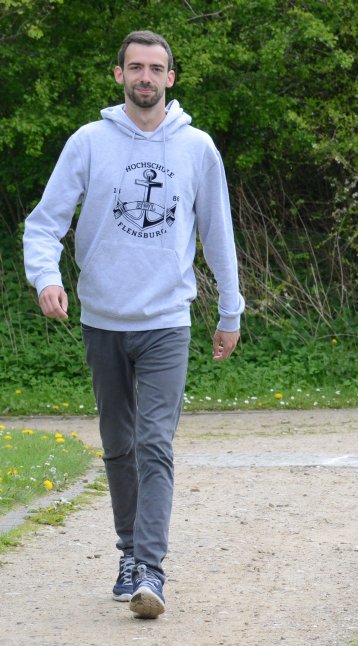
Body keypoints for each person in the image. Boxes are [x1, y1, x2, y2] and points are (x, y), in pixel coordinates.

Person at [23, 30, 244, 619]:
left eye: (157, 68)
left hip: (168, 320)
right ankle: (129, 552)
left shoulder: (197, 148)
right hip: (101, 319)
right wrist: (47, 277)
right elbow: (43, 225)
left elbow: (217, 234)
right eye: (135, 67)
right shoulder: (89, 143)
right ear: (118, 74)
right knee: (119, 445)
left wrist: (230, 310)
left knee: (153, 443)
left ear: (172, 78)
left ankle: (151, 567)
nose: (146, 77)